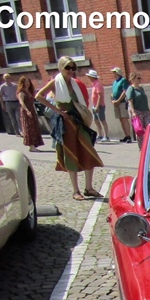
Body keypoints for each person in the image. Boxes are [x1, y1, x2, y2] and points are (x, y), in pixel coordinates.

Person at [35, 56, 104, 201]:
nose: (71, 70)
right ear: (61, 67)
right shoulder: (56, 82)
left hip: (78, 121)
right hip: (66, 123)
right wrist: (57, 110)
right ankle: (75, 190)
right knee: (71, 154)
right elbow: (39, 96)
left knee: (89, 150)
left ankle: (89, 188)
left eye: (73, 67)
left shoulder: (75, 83)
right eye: (68, 67)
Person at [16, 76, 44, 152]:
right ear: (22, 83)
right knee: (29, 128)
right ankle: (31, 146)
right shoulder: (21, 92)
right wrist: (27, 111)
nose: (27, 83)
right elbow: (21, 102)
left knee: (34, 127)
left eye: (28, 81)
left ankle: (33, 145)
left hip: (32, 110)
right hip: (26, 111)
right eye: (25, 82)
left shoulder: (29, 91)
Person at [126, 71, 150, 146]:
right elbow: (130, 101)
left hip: (145, 111)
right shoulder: (131, 89)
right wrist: (133, 112)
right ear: (133, 79)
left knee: (149, 127)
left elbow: (145, 101)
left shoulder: (141, 88)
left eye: (140, 78)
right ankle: (141, 148)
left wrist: (149, 111)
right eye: (138, 78)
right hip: (137, 111)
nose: (140, 79)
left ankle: (148, 146)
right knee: (139, 131)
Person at [86, 70, 110, 142]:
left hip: (99, 106)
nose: (88, 78)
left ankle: (106, 136)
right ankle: (100, 135)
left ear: (92, 77)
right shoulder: (94, 85)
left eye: (89, 76)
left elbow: (100, 96)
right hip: (95, 105)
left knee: (102, 120)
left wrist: (97, 106)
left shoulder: (98, 85)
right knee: (96, 120)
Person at [110, 67, 133, 143]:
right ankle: (125, 135)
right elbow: (113, 92)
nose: (113, 73)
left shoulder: (123, 80)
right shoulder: (114, 82)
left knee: (124, 118)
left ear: (117, 73)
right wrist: (112, 100)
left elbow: (125, 91)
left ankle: (129, 136)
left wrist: (118, 100)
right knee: (120, 119)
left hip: (122, 102)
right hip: (116, 103)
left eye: (114, 72)